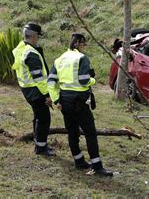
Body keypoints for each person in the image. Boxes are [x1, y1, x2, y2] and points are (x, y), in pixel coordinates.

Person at [47, 33, 113, 176]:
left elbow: (51, 82)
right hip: (79, 102)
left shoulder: (59, 59)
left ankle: (79, 161)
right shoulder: (81, 58)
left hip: (64, 101)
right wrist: (93, 81)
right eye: (83, 44)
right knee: (90, 133)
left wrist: (56, 100)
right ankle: (97, 166)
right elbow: (84, 80)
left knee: (72, 132)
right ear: (77, 43)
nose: (84, 47)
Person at [12, 23, 55, 156]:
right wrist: (47, 94)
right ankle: (41, 148)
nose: (38, 39)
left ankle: (38, 143)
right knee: (44, 118)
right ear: (34, 36)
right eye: (38, 37)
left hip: (27, 89)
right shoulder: (31, 53)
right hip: (36, 90)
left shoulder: (21, 48)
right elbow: (39, 78)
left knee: (38, 116)